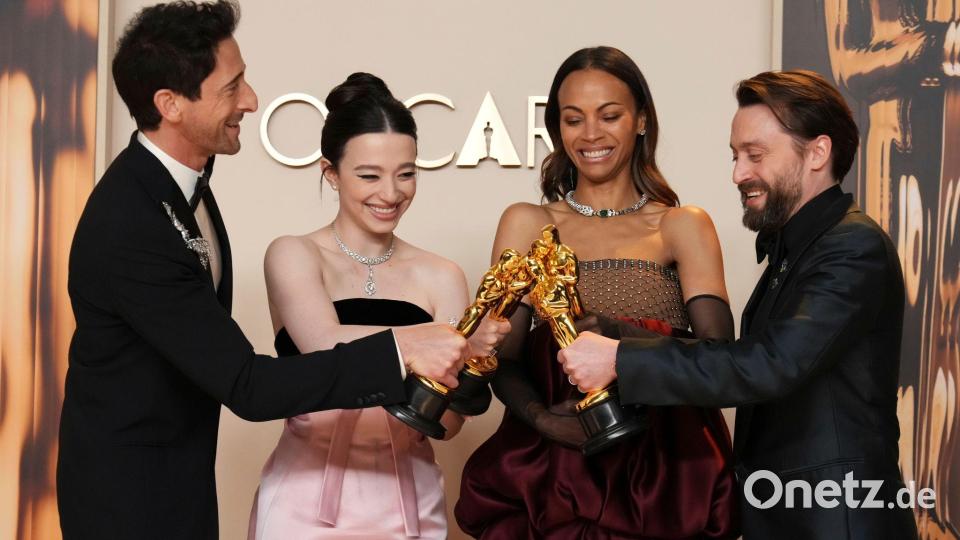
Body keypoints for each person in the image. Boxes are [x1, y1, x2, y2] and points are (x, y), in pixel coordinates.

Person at [57, 3, 466, 539]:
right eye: (233, 87)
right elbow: (248, 386)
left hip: (178, 481)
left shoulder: (184, 189)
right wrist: (405, 346)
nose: (250, 101)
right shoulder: (130, 222)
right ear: (171, 104)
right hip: (128, 500)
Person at [559, 70, 918, 539]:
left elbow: (770, 364)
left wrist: (620, 360)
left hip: (837, 521)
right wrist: (621, 331)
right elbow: (751, 357)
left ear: (817, 152)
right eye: (735, 156)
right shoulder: (796, 251)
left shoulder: (852, 246)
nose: (738, 173)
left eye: (755, 155)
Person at [455, 46, 738, 539]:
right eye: (573, 119)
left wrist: (619, 335)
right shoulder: (528, 223)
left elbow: (720, 357)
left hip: (664, 473)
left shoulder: (681, 226)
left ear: (641, 120)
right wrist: (543, 421)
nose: (590, 135)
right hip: (551, 475)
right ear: (557, 129)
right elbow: (501, 353)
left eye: (610, 115)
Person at [247, 72, 510, 539]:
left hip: (408, 501)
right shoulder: (293, 254)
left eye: (405, 173)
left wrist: (474, 363)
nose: (390, 193)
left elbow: (446, 425)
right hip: (303, 500)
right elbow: (325, 348)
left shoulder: (442, 275)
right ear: (331, 173)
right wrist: (440, 342)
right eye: (369, 175)